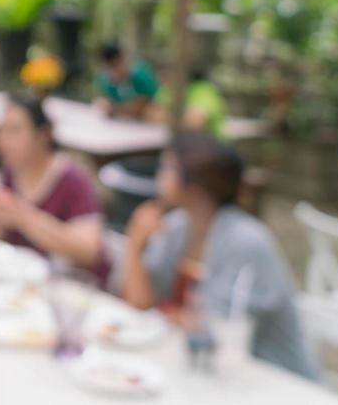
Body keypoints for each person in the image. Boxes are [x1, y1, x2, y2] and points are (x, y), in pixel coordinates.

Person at [118, 133, 317, 379]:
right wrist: (135, 243)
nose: (160, 173)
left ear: (199, 183)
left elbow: (215, 331)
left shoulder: (245, 242)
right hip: (205, 372)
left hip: (275, 380)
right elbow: (141, 304)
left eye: (170, 167)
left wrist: (166, 314)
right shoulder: (178, 226)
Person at [0, 93, 108, 281]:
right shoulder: (11, 172)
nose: (2, 140)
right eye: (0, 130)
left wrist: (23, 217)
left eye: (14, 131)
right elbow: (9, 236)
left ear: (43, 135)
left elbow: (89, 252)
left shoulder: (73, 181)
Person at [149, 70, 228, 139]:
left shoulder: (203, 89)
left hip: (211, 149)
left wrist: (167, 116)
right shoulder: (169, 89)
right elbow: (151, 114)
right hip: (180, 145)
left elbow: (195, 123)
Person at [94, 40, 159, 119]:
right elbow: (103, 101)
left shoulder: (141, 75)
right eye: (110, 68)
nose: (114, 72)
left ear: (123, 59)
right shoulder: (107, 80)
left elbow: (143, 106)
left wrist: (116, 109)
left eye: (116, 65)